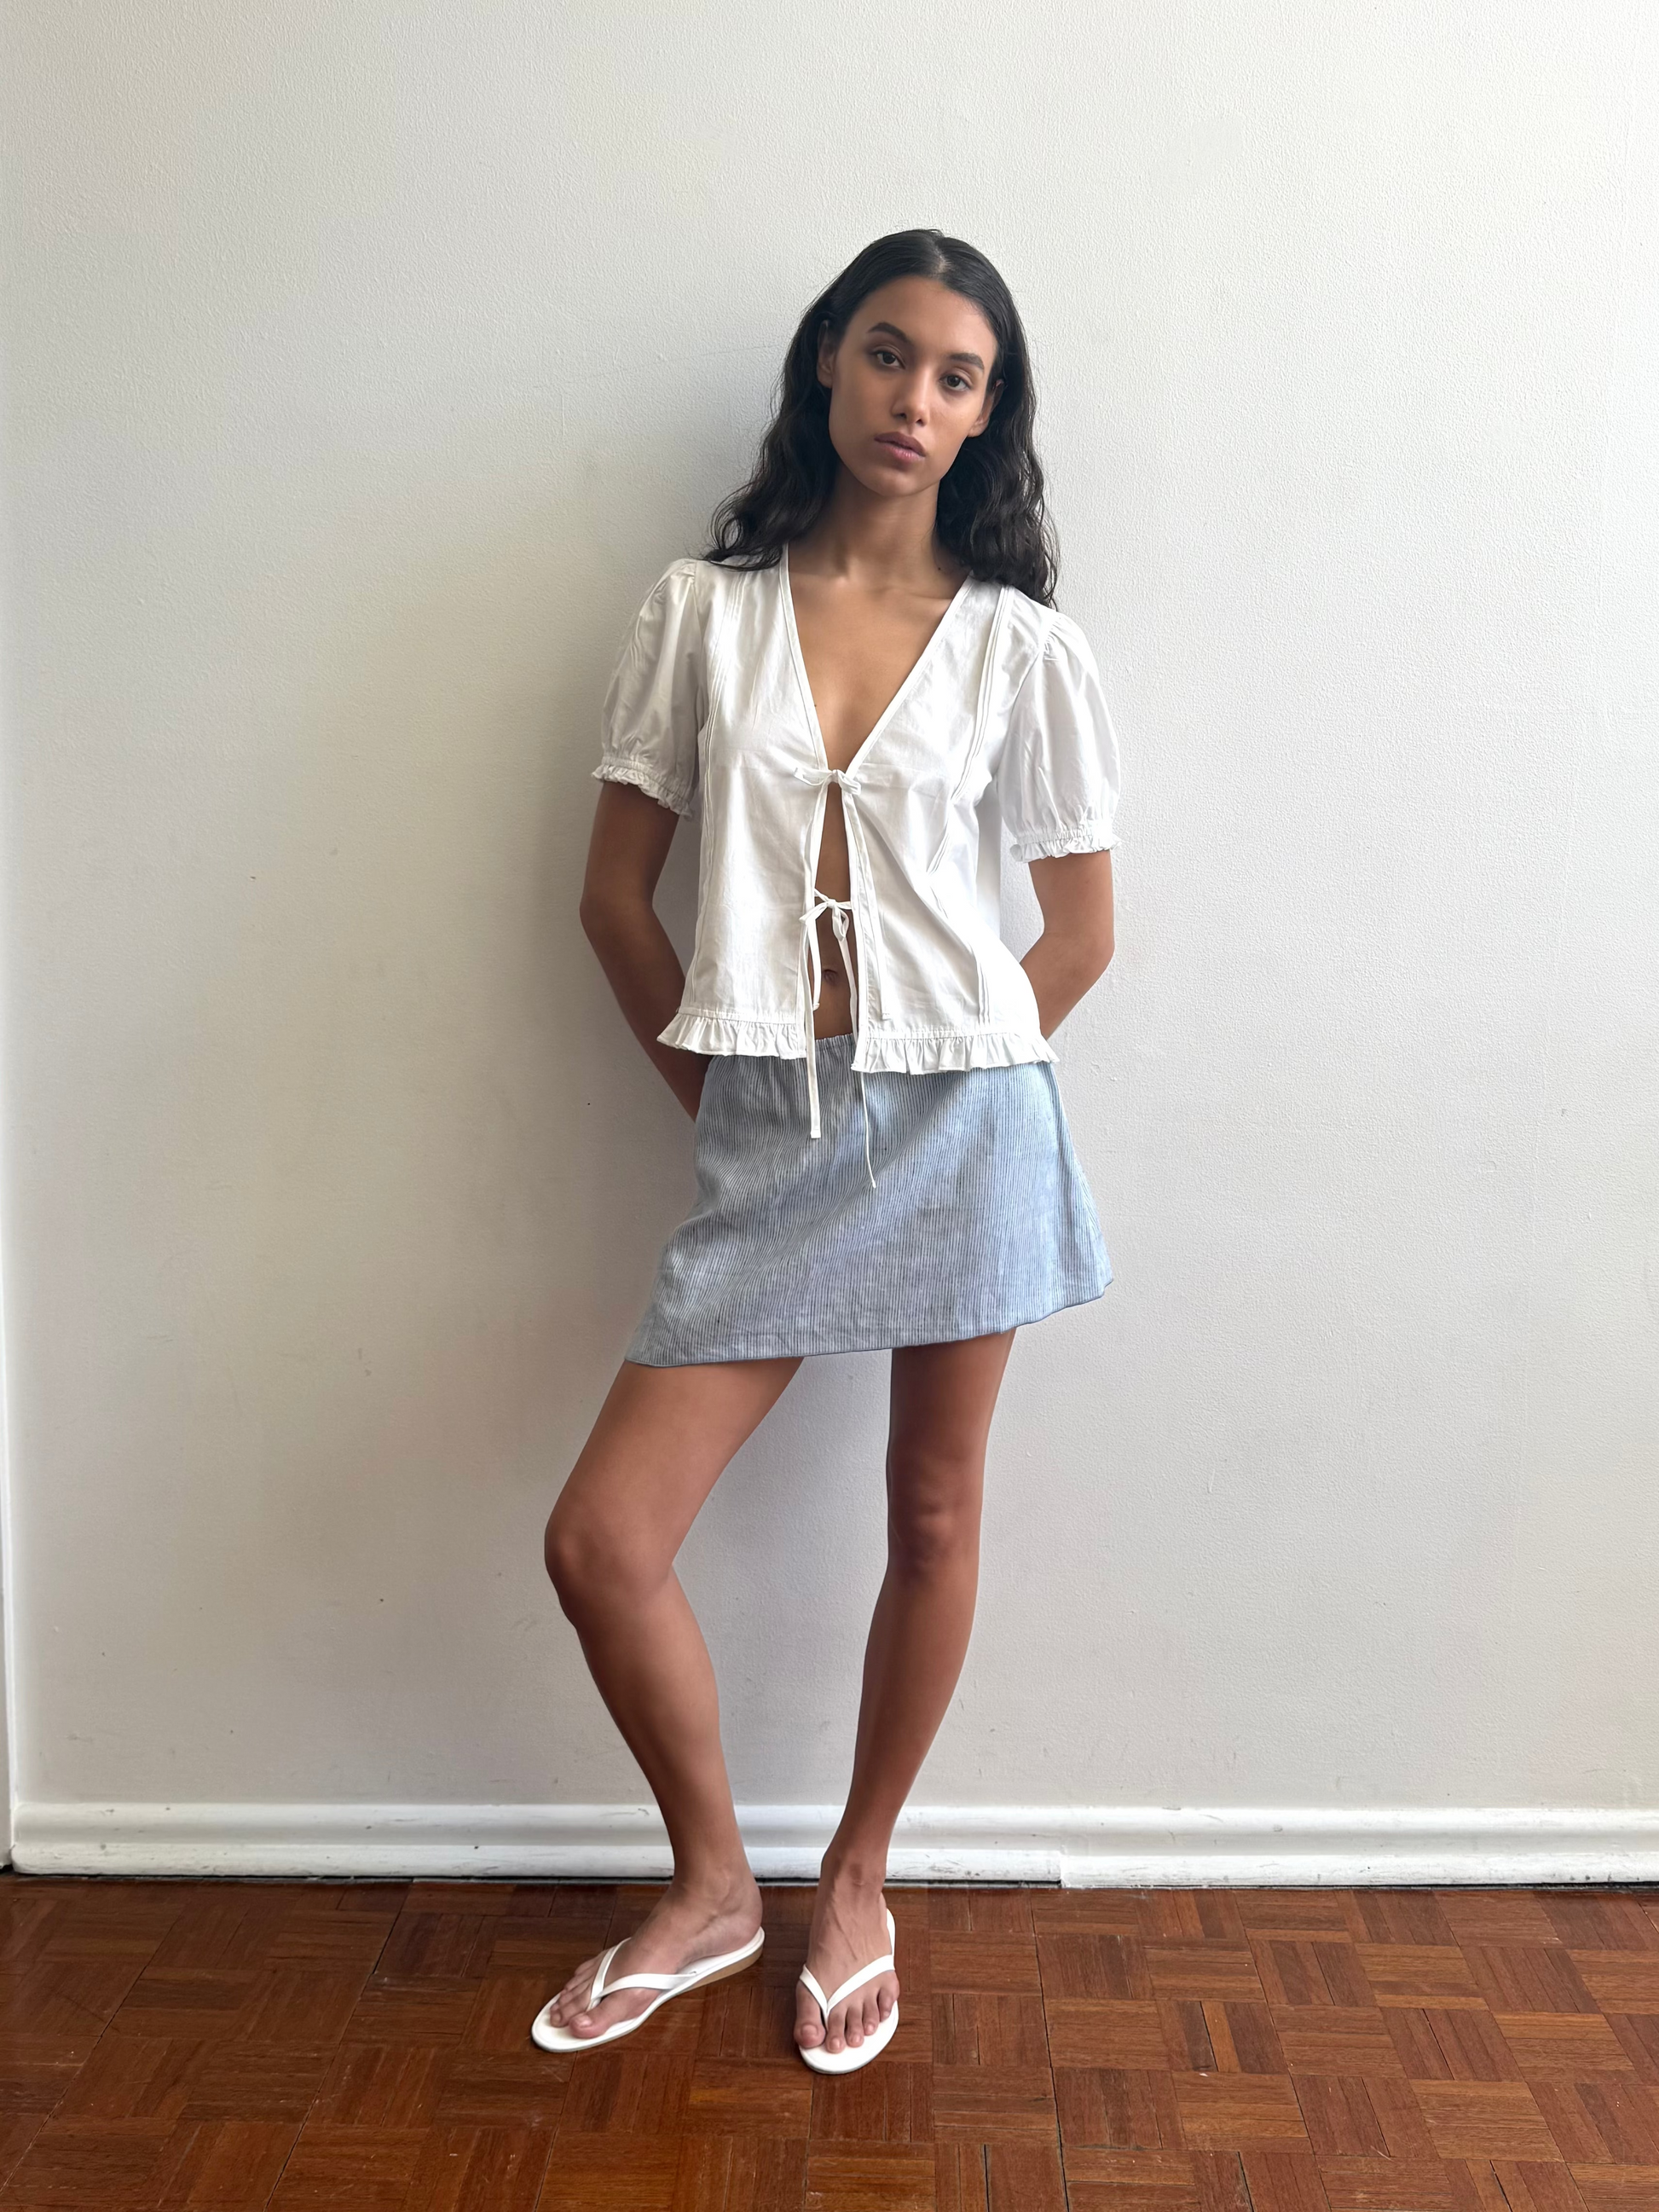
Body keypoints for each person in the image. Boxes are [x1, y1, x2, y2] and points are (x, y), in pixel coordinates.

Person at [534, 228, 1121, 2074]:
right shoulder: (699, 614)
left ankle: (858, 1874)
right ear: (824, 369)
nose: (917, 398)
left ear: (985, 419)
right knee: (600, 1540)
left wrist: (954, 1068)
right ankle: (711, 1886)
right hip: (769, 1120)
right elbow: (613, 900)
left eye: (959, 375)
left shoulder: (1025, 649)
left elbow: (1083, 930)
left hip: (968, 1115)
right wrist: (718, 1099)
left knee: (932, 1511)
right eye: (889, 355)